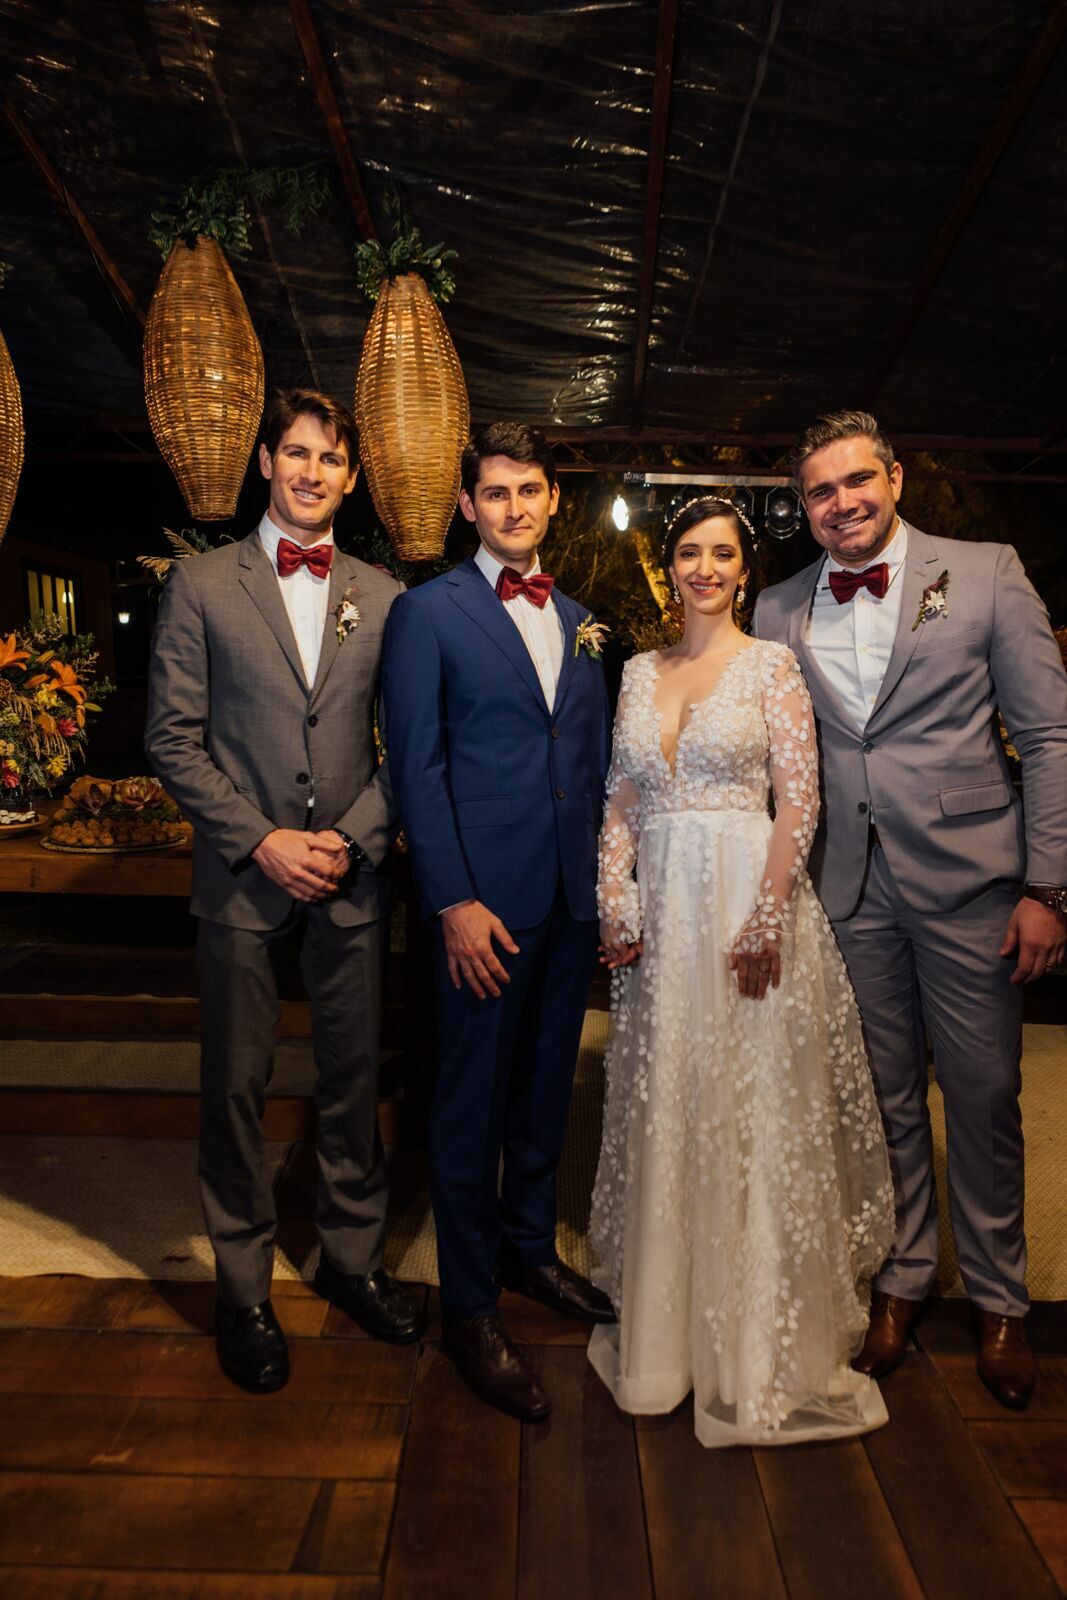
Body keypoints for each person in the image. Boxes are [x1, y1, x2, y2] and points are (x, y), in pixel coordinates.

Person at [755, 410, 1067, 1411]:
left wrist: (1045, 886)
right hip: (846, 886)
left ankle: (998, 1298)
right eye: (818, 491)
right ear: (800, 506)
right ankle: (897, 1280)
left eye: (855, 480)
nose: (839, 503)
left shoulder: (979, 573)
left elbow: (1049, 738)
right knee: (882, 1100)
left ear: (891, 477)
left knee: (980, 1096)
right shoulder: (776, 609)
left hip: (972, 881)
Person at [589, 496, 895, 1447]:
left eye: (723, 553)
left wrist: (765, 917)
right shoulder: (638, 672)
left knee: (749, 1108)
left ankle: (756, 1350)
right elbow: (622, 802)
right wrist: (612, 892)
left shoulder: (772, 666)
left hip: (745, 907)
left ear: (743, 569)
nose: (705, 568)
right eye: (689, 551)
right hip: (663, 918)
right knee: (673, 1103)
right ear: (668, 565)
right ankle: (667, 1345)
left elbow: (798, 805)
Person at [145, 387, 425, 1394]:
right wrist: (262, 838)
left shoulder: (387, 597)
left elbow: (411, 745)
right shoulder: (201, 584)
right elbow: (171, 737)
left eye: (329, 458)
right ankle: (243, 1290)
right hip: (239, 879)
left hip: (350, 882)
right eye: (294, 452)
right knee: (234, 1090)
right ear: (265, 462)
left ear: (351, 476)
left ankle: (350, 1263)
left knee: (352, 1086)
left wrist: (350, 839)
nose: (311, 472)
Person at [381, 421, 615, 1422]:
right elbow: (414, 768)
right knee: (468, 1104)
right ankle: (469, 1305)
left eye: (529, 490)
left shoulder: (583, 618)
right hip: (480, 906)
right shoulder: (426, 613)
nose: (512, 507)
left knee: (541, 1093)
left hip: (568, 903)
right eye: (494, 493)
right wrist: (451, 901)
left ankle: (528, 1252)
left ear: (551, 499)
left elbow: (595, 766)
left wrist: (605, 893)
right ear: (467, 506)